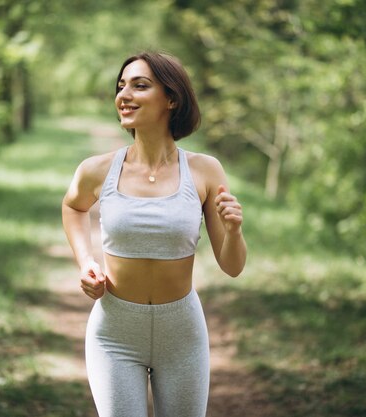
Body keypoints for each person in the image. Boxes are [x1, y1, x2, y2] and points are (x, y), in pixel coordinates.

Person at [61, 51, 247, 417]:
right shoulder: (97, 170)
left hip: (182, 337)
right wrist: (85, 262)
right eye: (121, 86)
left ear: (172, 99)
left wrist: (234, 230)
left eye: (139, 85)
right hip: (114, 334)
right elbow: (73, 207)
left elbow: (233, 266)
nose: (124, 95)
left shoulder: (205, 171)